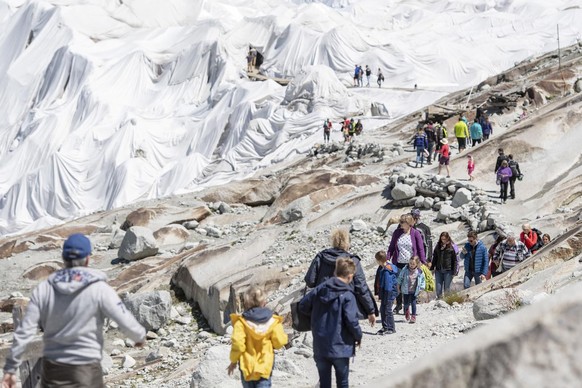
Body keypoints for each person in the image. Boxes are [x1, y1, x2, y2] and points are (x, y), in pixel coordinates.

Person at [2, 234, 146, 388]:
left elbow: (25, 331)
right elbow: (123, 317)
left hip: (53, 369)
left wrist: (10, 369)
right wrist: (139, 336)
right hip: (86, 368)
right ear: (87, 259)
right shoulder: (98, 288)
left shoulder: (44, 289)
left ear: (63, 259)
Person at [299, 258, 362, 388]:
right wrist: (358, 335)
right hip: (341, 345)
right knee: (343, 382)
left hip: (320, 343)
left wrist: (316, 318)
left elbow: (303, 306)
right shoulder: (348, 295)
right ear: (350, 277)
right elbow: (351, 320)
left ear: (335, 272)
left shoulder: (319, 289)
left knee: (324, 382)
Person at [305, 229, 376, 326]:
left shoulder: (321, 257)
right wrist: (370, 311)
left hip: (323, 306)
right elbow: (361, 287)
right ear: (347, 242)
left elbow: (310, 281)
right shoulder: (352, 261)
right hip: (345, 307)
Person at [228, 286, 288, 387]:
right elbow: (280, 342)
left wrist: (233, 361)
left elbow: (238, 345)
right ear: (264, 302)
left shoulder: (241, 322)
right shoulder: (273, 321)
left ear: (245, 302)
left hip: (247, 368)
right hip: (264, 367)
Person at [387, 214, 426, 314]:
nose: (400, 224)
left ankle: (407, 306)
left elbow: (421, 248)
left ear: (409, 223)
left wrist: (423, 261)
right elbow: (391, 247)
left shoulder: (415, 233)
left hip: (411, 264)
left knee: (409, 285)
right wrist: (387, 258)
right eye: (400, 222)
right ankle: (399, 304)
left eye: (402, 222)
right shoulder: (397, 233)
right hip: (398, 263)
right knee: (398, 284)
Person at [373, 251, 398, 335]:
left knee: (387, 310)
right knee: (383, 309)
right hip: (385, 292)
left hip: (388, 292)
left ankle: (391, 328)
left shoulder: (387, 270)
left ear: (379, 260)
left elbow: (388, 285)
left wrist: (386, 295)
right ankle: (385, 327)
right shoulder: (382, 268)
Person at [396, 256, 425, 323]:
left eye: (413, 264)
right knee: (406, 303)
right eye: (410, 263)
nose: (411, 265)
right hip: (405, 290)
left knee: (413, 303)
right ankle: (407, 311)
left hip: (414, 291)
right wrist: (398, 285)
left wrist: (421, 288)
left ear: (417, 264)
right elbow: (400, 278)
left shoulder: (419, 272)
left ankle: (413, 316)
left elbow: (423, 280)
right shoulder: (405, 269)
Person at [430, 232, 459, 298]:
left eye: (444, 239)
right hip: (438, 270)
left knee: (447, 288)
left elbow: (455, 260)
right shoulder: (438, 246)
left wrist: (455, 271)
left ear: (447, 238)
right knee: (438, 288)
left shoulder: (452, 247)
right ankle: (439, 301)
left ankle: (447, 302)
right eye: (442, 239)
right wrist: (432, 268)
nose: (443, 241)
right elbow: (435, 257)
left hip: (448, 270)